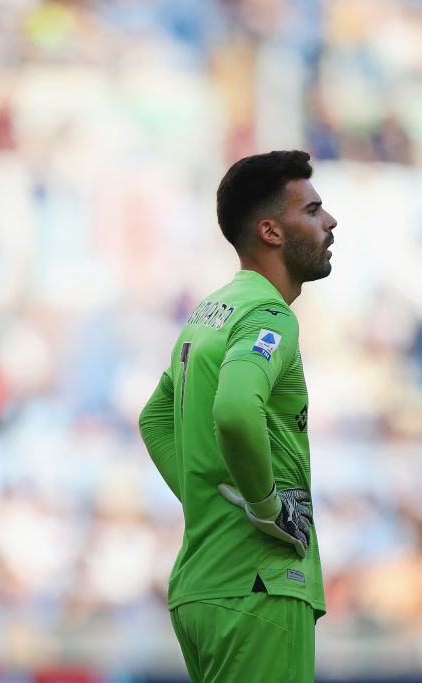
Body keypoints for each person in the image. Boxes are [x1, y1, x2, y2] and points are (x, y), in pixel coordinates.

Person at [138, 150, 337, 681]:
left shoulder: (208, 314)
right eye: (313, 210)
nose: (330, 222)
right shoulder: (269, 314)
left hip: (203, 587)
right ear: (272, 231)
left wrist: (211, 501)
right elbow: (233, 408)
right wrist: (264, 505)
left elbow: (155, 418)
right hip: (260, 585)